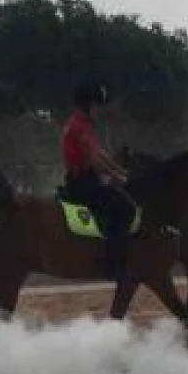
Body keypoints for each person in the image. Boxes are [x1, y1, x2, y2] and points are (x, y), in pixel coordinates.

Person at [60, 80, 134, 282]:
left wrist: (121, 171)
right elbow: (93, 161)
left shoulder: (81, 124)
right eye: (97, 104)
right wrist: (119, 178)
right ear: (86, 104)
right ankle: (113, 266)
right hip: (82, 183)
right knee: (125, 208)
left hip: (86, 179)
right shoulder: (78, 127)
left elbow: (100, 154)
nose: (99, 110)